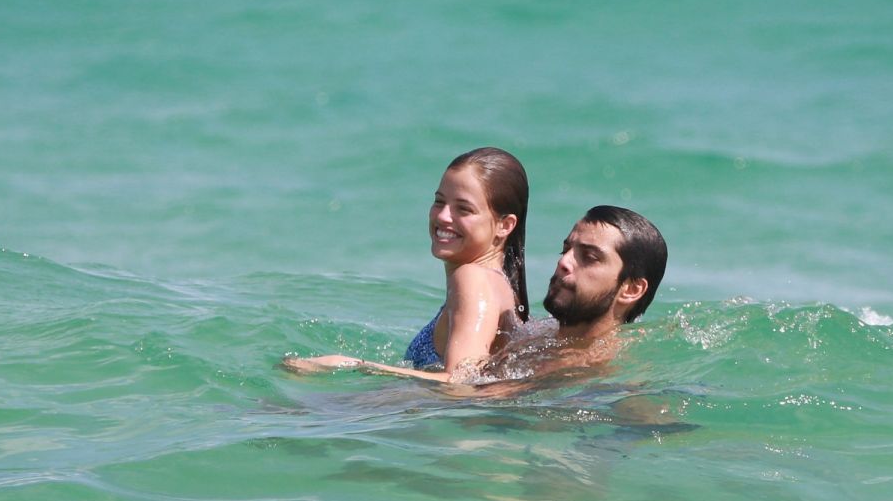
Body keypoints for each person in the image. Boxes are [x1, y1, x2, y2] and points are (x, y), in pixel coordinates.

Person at [284, 147, 530, 382]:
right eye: (439, 201)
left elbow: (460, 384)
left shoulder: (472, 279)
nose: (443, 216)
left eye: (463, 209)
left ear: (505, 225)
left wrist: (352, 365)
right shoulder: (499, 284)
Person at [481, 204, 668, 380]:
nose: (563, 263)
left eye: (589, 257)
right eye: (565, 250)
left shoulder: (596, 374)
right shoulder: (538, 335)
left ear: (631, 290)